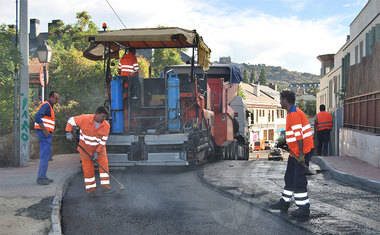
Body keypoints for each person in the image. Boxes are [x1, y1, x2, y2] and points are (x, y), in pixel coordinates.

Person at [270, 90, 314, 218]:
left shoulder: (294, 114)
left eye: (280, 99)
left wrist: (301, 155)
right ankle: (284, 203)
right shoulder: (291, 113)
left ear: (285, 100)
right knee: (289, 177)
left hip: (302, 151)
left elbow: (299, 137)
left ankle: (304, 209)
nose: (279, 102)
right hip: (295, 152)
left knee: (299, 179)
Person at [65, 106, 112, 196]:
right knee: (88, 169)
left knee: (104, 167)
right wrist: (68, 132)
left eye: (105, 117)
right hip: (85, 149)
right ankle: (91, 190)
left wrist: (97, 152)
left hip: (99, 150)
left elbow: (103, 141)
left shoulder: (106, 125)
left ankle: (105, 188)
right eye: (102, 116)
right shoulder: (84, 119)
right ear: (97, 114)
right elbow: (71, 120)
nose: (104, 119)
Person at [34, 91, 59, 185]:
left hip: (45, 133)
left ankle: (43, 176)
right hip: (44, 133)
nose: (57, 100)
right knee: (45, 155)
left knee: (46, 155)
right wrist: (45, 130)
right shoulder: (46, 105)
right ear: (51, 97)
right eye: (56, 98)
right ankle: (41, 178)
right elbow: (37, 117)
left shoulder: (49, 106)